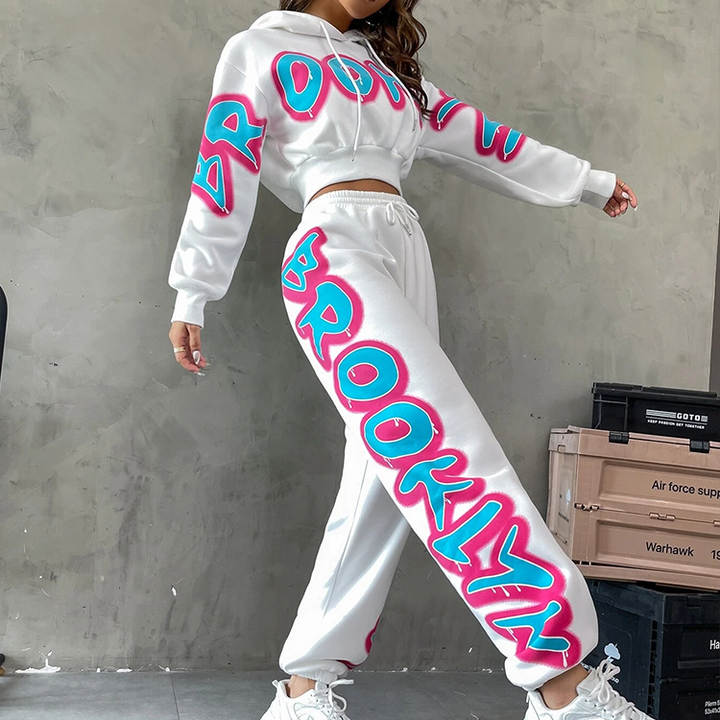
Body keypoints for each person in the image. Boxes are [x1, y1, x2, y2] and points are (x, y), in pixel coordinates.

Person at [167, 1, 647, 718]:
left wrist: (587, 181)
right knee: (437, 444)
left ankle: (304, 691)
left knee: (384, 476)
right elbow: (224, 161)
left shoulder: (389, 73)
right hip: (330, 253)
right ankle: (562, 683)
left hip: (403, 246)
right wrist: (193, 291)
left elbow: (482, 138)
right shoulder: (258, 51)